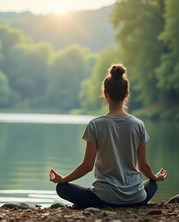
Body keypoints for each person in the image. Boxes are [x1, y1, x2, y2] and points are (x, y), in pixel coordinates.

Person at [49, 64, 167, 208]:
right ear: (126, 94)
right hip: (136, 198)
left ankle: (89, 201)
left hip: (103, 199)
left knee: (62, 188)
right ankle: (132, 196)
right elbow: (143, 166)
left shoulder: (95, 125)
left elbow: (87, 166)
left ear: (105, 94)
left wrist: (63, 179)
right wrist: (156, 177)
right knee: (152, 184)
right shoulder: (138, 124)